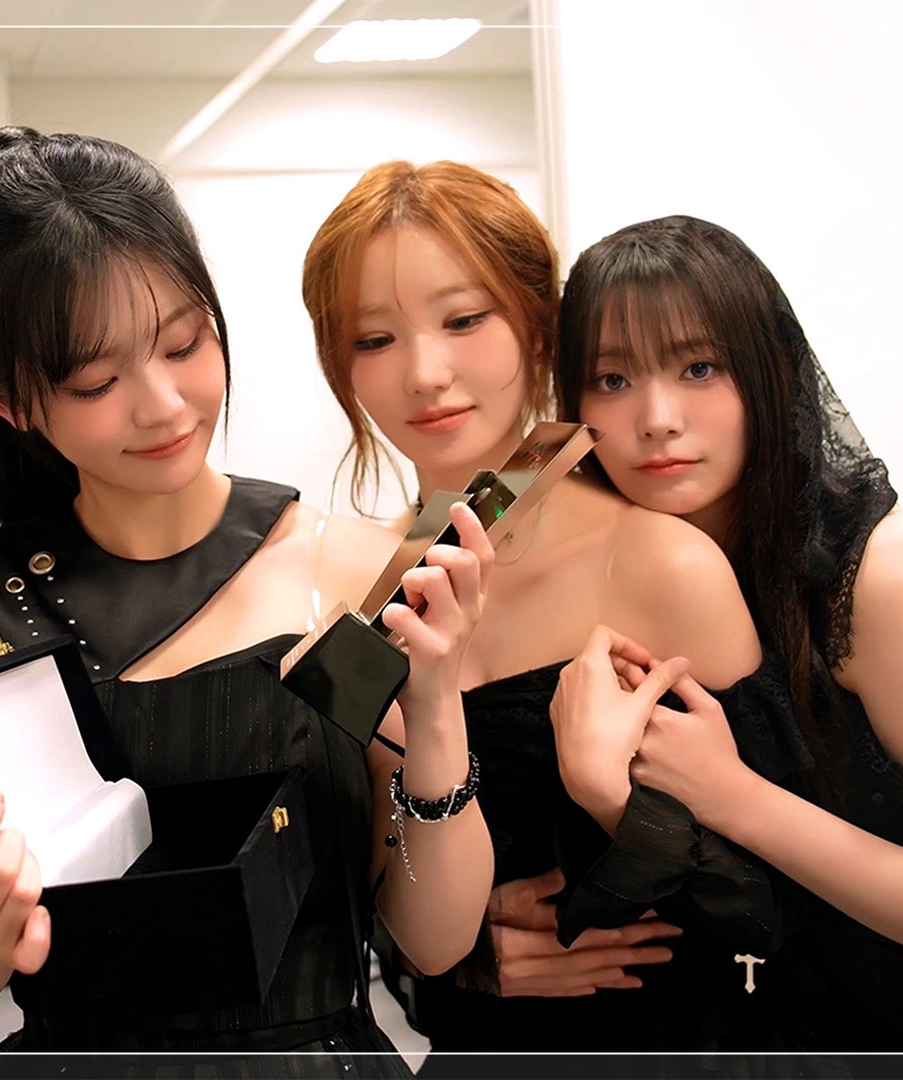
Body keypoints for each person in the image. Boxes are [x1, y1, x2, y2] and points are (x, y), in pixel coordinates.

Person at [0, 127, 495, 1078]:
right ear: (3, 398)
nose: (165, 404)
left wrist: (437, 710)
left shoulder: (347, 569)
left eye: (184, 343)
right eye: (95, 381)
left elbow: (436, 938)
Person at [300, 162, 807, 1067]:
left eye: (465, 320)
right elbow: (379, 897)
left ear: (538, 323)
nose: (426, 373)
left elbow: (785, 898)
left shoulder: (658, 561)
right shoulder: (358, 589)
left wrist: (616, 819)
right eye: (374, 338)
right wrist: (462, 958)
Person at [552, 213, 903, 1059]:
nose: (656, 417)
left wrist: (734, 795)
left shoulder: (885, 579)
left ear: (769, 372)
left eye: (699, 367)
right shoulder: (625, 570)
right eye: (611, 379)